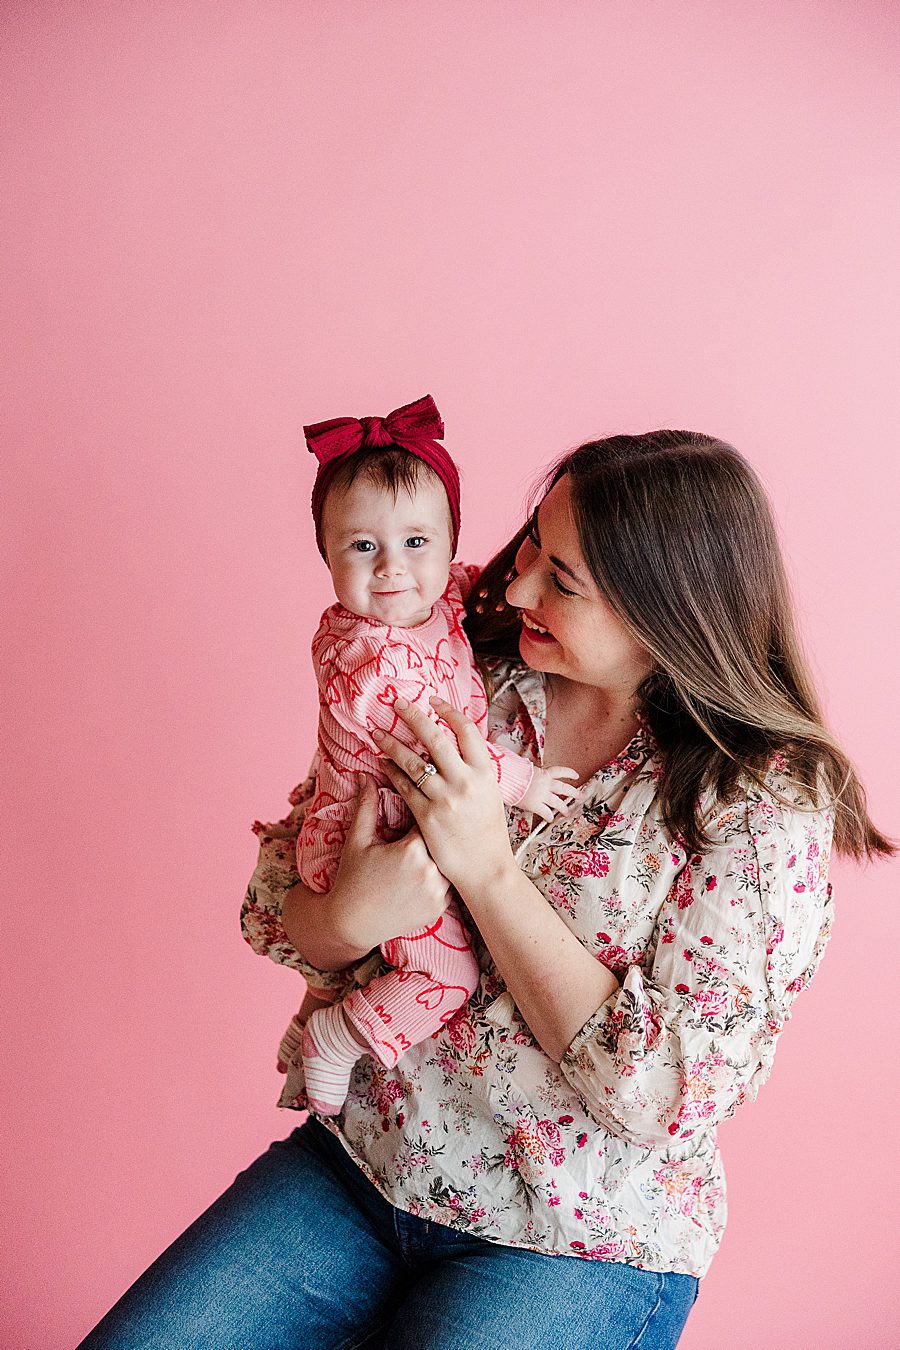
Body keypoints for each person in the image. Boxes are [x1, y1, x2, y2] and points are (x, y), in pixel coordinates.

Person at [79, 429, 893, 1350]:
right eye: (529, 550)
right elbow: (275, 906)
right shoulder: (468, 669)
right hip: (364, 1164)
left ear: (666, 610)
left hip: (570, 1238)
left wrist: (490, 871)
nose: (513, 588)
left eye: (562, 581)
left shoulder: (761, 803)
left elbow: (659, 1094)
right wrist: (350, 913)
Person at [278, 395, 575, 1114]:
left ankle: (304, 1019)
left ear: (447, 544)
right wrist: (526, 783)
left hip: (387, 820)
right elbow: (441, 759)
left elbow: (469, 582)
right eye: (361, 546)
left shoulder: (433, 603)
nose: (392, 570)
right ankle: (336, 1037)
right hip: (377, 836)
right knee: (445, 975)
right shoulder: (369, 660)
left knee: (355, 958)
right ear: (326, 551)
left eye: (417, 543)